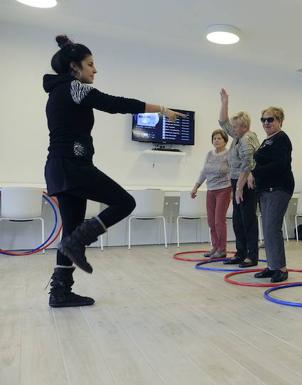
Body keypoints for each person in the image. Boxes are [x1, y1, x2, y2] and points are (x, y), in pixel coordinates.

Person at [43, 35, 185, 307]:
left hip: (60, 167)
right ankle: (80, 242)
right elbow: (115, 103)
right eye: (90, 64)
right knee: (125, 202)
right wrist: (161, 109)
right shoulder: (74, 87)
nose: (95, 70)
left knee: (70, 232)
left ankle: (60, 292)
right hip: (73, 166)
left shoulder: (57, 91)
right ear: (75, 67)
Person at [247, 107, 294, 283]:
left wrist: (255, 173)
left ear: (280, 120)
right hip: (266, 189)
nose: (266, 122)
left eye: (271, 119)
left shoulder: (282, 138)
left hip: (279, 188)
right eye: (264, 120)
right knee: (266, 228)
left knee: (272, 227)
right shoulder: (267, 140)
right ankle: (272, 266)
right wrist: (254, 174)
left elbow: (280, 164)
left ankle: (281, 268)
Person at [218, 89, 260, 267]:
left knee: (248, 219)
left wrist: (239, 188)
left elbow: (248, 163)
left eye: (235, 127)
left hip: (246, 183)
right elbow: (223, 122)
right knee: (237, 219)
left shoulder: (246, 138)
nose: (232, 129)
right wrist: (225, 102)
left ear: (243, 127)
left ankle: (252, 256)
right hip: (237, 181)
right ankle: (240, 253)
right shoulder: (237, 136)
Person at [191, 129, 231, 259]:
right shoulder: (209, 154)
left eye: (219, 138)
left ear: (225, 140)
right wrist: (196, 187)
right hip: (211, 190)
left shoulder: (229, 154)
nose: (216, 140)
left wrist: (235, 189)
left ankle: (222, 249)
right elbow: (204, 172)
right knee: (211, 221)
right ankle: (215, 246)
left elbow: (233, 171)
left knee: (219, 220)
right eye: (214, 138)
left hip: (224, 189)